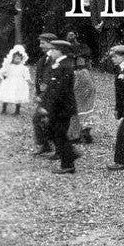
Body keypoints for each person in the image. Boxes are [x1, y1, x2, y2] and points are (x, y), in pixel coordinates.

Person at [41, 40, 78, 175]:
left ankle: (68, 164)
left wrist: (48, 108)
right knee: (54, 133)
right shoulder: (58, 65)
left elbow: (59, 91)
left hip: (62, 108)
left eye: (53, 50)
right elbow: (51, 89)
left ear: (60, 51)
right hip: (58, 107)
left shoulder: (65, 66)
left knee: (59, 135)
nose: (51, 52)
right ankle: (71, 154)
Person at [0, 45, 30, 114]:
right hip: (9, 82)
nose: (17, 59)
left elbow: (27, 76)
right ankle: (4, 109)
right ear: (12, 58)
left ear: (22, 59)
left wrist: (28, 80)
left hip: (19, 83)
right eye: (15, 57)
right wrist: (3, 74)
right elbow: (3, 73)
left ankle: (17, 110)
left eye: (19, 58)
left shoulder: (23, 68)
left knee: (18, 95)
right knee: (6, 94)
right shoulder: (8, 66)